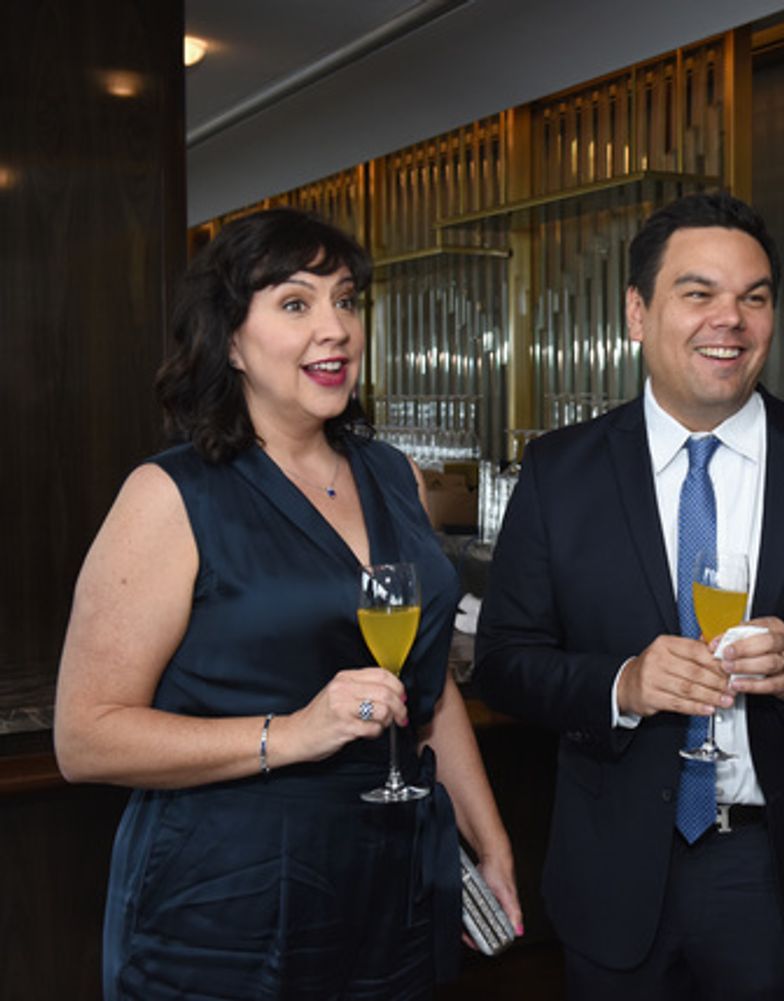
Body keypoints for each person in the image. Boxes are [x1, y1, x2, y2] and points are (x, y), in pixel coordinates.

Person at [473, 191, 784, 999]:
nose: (731, 319)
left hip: (778, 868)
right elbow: (505, 660)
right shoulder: (560, 472)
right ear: (636, 312)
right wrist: (621, 684)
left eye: (754, 298)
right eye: (698, 294)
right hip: (615, 866)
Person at [53, 208, 522, 1000]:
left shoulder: (394, 476)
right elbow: (86, 737)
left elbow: (427, 690)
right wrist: (293, 733)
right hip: (229, 902)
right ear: (230, 339)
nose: (334, 327)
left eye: (345, 299)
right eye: (296, 303)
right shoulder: (170, 496)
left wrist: (490, 836)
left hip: (393, 884)